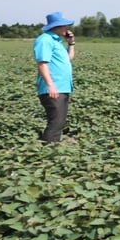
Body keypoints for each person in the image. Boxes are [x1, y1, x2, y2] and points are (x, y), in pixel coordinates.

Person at [33, 12, 76, 143]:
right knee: (56, 122)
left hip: (62, 87)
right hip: (53, 88)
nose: (67, 29)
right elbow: (42, 63)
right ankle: (49, 152)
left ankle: (51, 148)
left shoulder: (56, 41)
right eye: (65, 26)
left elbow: (69, 59)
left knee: (59, 121)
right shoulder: (45, 40)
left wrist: (71, 44)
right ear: (57, 26)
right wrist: (51, 85)